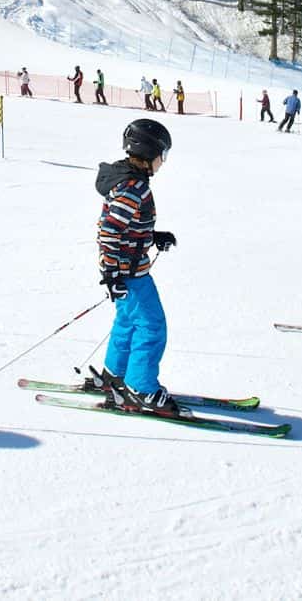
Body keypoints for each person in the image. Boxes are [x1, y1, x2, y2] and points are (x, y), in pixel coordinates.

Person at [94, 119, 180, 411]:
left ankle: (114, 375)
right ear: (149, 152)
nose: (162, 162)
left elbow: (124, 225)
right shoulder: (135, 187)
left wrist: (152, 235)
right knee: (152, 326)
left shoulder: (126, 181)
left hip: (126, 269)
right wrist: (111, 274)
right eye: (162, 155)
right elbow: (110, 229)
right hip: (129, 273)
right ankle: (140, 388)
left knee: (128, 322)